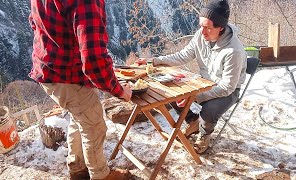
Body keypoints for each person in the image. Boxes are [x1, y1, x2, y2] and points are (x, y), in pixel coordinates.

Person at [29, 0, 132, 179]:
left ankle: (77, 168)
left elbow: (33, 20)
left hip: (48, 70)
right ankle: (101, 175)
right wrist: (120, 91)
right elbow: (94, 61)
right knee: (94, 126)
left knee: (79, 118)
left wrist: (56, 44)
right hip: (70, 76)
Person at [137, 0, 247, 154]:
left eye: (208, 28)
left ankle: (204, 134)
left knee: (208, 111)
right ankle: (192, 120)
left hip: (227, 91)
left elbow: (227, 87)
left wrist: (194, 96)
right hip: (205, 83)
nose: (202, 32)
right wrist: (155, 61)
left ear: (221, 27)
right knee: (172, 91)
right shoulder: (201, 35)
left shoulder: (234, 51)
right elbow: (183, 56)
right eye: (201, 26)